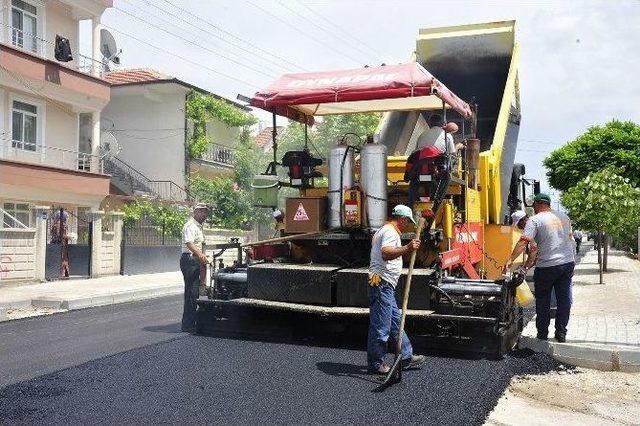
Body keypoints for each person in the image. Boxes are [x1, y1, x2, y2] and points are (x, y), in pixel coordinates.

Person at [506, 193, 575, 343]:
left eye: (534, 206)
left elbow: (523, 243)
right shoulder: (564, 216)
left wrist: (510, 260)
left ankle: (542, 334)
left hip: (547, 267)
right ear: (548, 204)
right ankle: (561, 333)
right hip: (567, 263)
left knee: (543, 300)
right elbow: (570, 239)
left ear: (537, 204)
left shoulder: (535, 220)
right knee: (564, 300)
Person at [367, 204, 427, 374]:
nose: (407, 225)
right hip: (381, 283)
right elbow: (386, 253)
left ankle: (406, 356)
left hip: (384, 284)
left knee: (395, 322)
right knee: (381, 326)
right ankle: (376, 363)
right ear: (402, 219)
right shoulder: (390, 232)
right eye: (407, 222)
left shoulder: (384, 230)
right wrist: (408, 248)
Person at [180, 203, 210, 333]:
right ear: (195, 212)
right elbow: (189, 243)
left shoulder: (199, 226)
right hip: (190, 260)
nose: (204, 214)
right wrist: (200, 255)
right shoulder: (190, 226)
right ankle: (188, 325)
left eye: (206, 212)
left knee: (195, 292)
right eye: (202, 212)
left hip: (195, 259)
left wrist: (201, 257)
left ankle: (192, 322)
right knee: (191, 293)